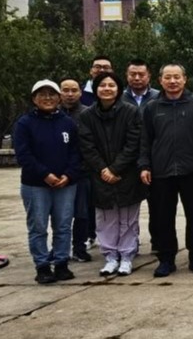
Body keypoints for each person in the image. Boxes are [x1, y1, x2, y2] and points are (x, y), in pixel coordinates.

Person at [138, 63, 193, 278]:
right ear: (160, 80)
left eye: (177, 77)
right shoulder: (152, 107)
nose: (172, 81)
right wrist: (144, 165)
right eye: (168, 77)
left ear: (184, 79)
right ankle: (166, 259)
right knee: (162, 217)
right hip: (161, 170)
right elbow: (145, 139)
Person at [76, 72, 147, 277]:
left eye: (111, 85)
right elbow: (87, 147)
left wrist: (116, 169)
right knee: (105, 219)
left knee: (128, 219)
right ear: (95, 89)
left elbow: (134, 143)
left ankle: (126, 256)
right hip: (100, 176)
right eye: (102, 85)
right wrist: (103, 170)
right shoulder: (86, 116)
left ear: (119, 89)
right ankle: (110, 257)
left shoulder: (131, 112)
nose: (107, 89)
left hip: (127, 175)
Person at [13, 79, 82, 284]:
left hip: (65, 184)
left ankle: (61, 263)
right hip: (36, 185)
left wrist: (68, 175)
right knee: (38, 227)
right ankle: (42, 266)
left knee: (63, 225)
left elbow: (76, 152)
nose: (47, 98)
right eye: (42, 95)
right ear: (34, 99)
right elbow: (24, 155)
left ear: (59, 98)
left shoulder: (67, 123)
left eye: (52, 94)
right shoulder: (25, 123)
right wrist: (45, 174)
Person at [59, 78, 95, 263]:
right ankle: (59, 249)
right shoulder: (53, 114)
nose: (70, 94)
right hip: (57, 173)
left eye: (74, 90)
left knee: (82, 213)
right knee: (60, 215)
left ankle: (79, 247)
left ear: (81, 93)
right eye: (65, 90)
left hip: (82, 172)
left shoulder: (88, 114)